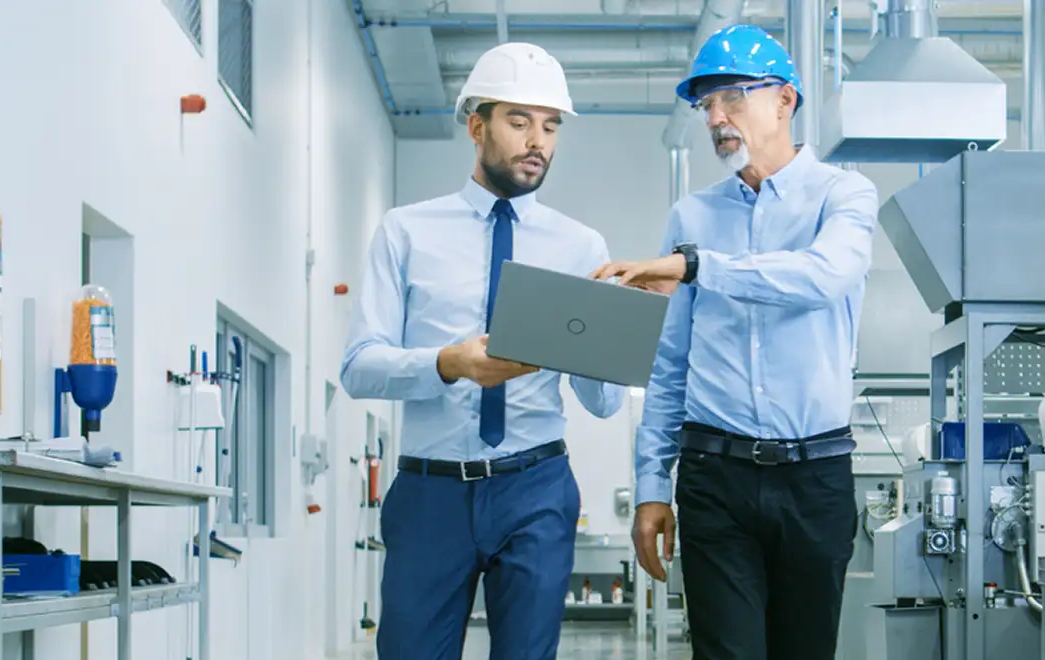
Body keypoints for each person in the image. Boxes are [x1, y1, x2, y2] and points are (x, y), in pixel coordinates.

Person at [589, 24, 878, 660]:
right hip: (713, 476)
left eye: (733, 97)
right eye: (706, 104)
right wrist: (650, 487)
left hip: (816, 477)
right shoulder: (692, 216)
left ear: (785, 100)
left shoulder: (844, 196)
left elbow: (823, 277)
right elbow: (670, 367)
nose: (716, 117)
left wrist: (697, 267)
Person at [341, 42, 622, 660]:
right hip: (430, 492)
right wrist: (450, 363)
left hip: (536, 486)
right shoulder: (407, 231)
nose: (537, 142)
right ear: (476, 125)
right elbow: (358, 365)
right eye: (519, 122)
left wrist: (611, 333)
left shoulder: (580, 245)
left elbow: (603, 404)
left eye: (550, 127)